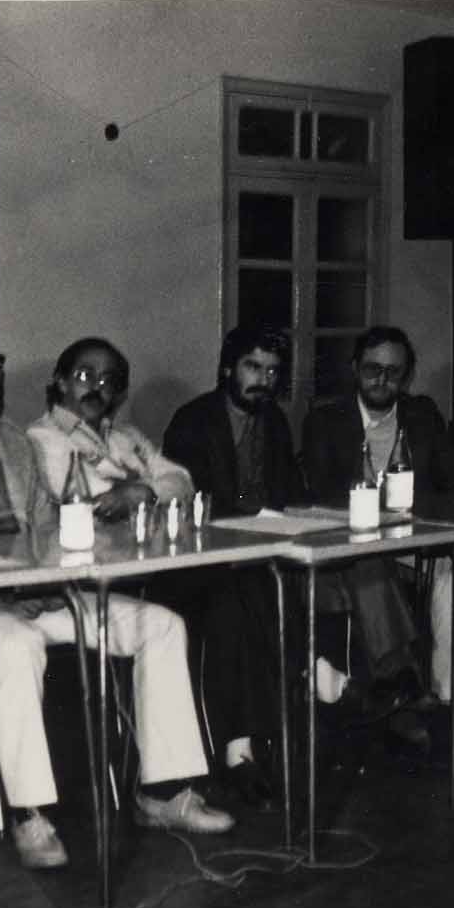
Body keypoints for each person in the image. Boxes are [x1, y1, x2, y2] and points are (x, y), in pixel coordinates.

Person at [0, 314, 232, 871]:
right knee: (15, 644)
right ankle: (31, 814)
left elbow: (45, 525)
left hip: (39, 594)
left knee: (162, 625)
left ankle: (161, 793)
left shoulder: (16, 441)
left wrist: (49, 576)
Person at [162, 325, 340, 802]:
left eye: (273, 372)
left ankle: (241, 748)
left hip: (261, 554)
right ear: (227, 369)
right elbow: (193, 506)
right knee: (246, 593)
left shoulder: (274, 421)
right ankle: (313, 670)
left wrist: (305, 515)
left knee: (270, 583)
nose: (263, 380)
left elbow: (290, 492)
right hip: (199, 564)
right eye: (253, 367)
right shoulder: (193, 421)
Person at [300, 327, 454, 722]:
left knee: (450, 570)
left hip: (410, 538)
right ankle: (404, 685)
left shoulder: (422, 416)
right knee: (370, 567)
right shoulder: (326, 421)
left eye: (393, 372)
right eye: (372, 369)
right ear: (354, 368)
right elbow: (322, 494)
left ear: (406, 376)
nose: (382, 379)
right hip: (355, 545)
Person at [27, 336, 193, 521]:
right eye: (85, 376)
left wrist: (139, 493)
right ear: (62, 382)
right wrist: (153, 489)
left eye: (107, 380)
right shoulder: (42, 436)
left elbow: (183, 482)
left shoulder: (128, 435)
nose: (96, 387)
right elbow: (93, 501)